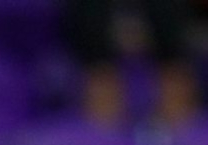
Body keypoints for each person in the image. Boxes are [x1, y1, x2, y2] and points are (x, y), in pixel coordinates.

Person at [63, 0, 198, 127]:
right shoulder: (91, 14)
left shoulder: (166, 12)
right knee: (101, 75)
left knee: (174, 73)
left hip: (167, 50)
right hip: (97, 54)